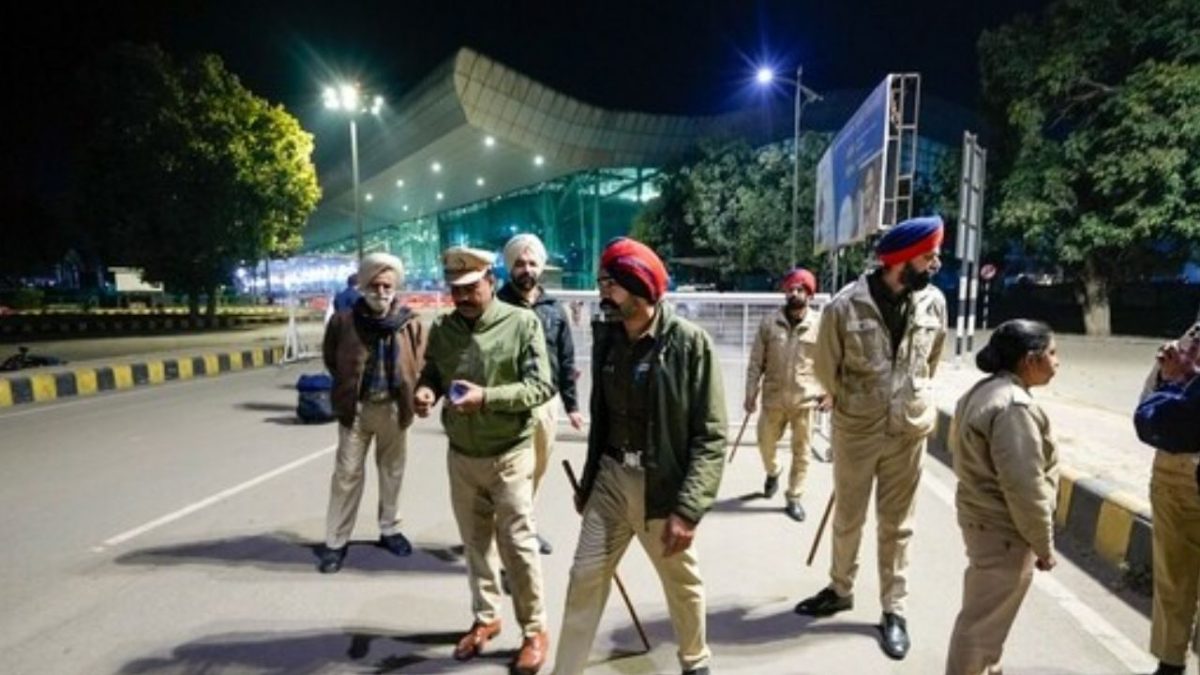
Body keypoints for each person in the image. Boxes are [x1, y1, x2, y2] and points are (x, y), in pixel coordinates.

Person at [554, 237, 727, 675]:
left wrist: (688, 509)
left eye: (610, 283)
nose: (602, 293)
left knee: (681, 583)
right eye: (601, 283)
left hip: (661, 488)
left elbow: (710, 436)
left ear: (638, 285)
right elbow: (604, 420)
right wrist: (592, 480)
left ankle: (695, 661)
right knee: (583, 579)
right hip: (611, 483)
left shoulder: (690, 345)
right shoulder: (609, 339)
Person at [794, 215, 948, 660]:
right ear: (902, 260)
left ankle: (893, 610)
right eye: (928, 255)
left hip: (908, 431)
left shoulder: (933, 303)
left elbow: (930, 363)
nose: (935, 262)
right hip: (857, 430)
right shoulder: (845, 306)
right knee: (849, 516)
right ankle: (840, 589)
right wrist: (857, 404)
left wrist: (906, 399)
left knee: (898, 526)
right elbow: (827, 368)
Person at [414, 246, 556, 675]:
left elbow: (539, 387)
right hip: (462, 457)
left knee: (518, 544)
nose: (461, 297)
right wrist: (427, 392)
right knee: (476, 545)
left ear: (490, 281)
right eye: (455, 290)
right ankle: (486, 617)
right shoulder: (442, 329)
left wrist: (488, 398)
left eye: (470, 288)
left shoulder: (521, 324)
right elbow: (433, 373)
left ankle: (534, 630)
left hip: (509, 454)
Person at [944, 319, 1060, 675]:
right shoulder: (1013, 407)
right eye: (1052, 353)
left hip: (983, 522)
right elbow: (1024, 487)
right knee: (981, 628)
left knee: (986, 621)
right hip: (1004, 531)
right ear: (1030, 359)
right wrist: (1044, 544)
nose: (1057, 362)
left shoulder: (983, 391)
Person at [317, 254, 425, 574]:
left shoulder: (410, 323)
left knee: (392, 473)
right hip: (357, 411)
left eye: (387, 285)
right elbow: (331, 359)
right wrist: (349, 388)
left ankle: (390, 529)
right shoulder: (344, 321)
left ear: (396, 287)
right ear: (363, 286)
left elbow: (421, 361)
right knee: (346, 475)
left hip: (394, 408)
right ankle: (335, 542)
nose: (381, 290)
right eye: (375, 284)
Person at [497, 233, 584, 555]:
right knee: (509, 475)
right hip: (507, 403)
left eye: (532, 263)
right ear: (510, 267)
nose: (526, 269)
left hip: (545, 405)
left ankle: (525, 528)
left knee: (536, 469)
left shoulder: (554, 309)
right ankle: (509, 542)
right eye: (519, 263)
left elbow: (566, 358)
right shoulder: (496, 306)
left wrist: (572, 405)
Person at [1134, 321, 1200, 675]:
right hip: (1175, 474)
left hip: (1175, 471)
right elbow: (1147, 412)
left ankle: (1170, 663)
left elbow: (1147, 411)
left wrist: (1180, 378)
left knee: (1174, 577)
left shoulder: (1187, 343)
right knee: (1173, 576)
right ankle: (1170, 663)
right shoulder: (1186, 342)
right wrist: (1174, 378)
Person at [743, 267, 830, 522]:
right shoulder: (769, 323)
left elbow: (832, 361)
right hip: (773, 399)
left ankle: (794, 497)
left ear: (810, 294)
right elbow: (755, 362)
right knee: (764, 442)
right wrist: (750, 393)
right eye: (791, 288)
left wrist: (830, 392)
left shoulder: (821, 325)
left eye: (800, 289)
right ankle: (773, 471)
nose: (794, 293)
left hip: (805, 400)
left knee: (802, 453)